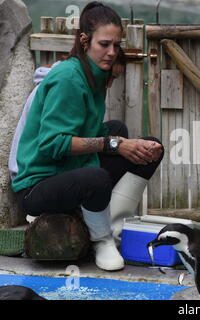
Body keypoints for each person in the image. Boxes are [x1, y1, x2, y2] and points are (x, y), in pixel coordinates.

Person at [9, 1, 164, 271]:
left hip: (67, 171)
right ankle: (101, 239)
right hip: (36, 186)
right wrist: (115, 145)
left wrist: (127, 144)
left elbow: (91, 134)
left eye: (116, 45)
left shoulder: (95, 75)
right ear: (84, 40)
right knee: (98, 175)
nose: (112, 52)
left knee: (148, 148)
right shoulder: (68, 78)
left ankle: (111, 224)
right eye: (104, 44)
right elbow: (52, 144)